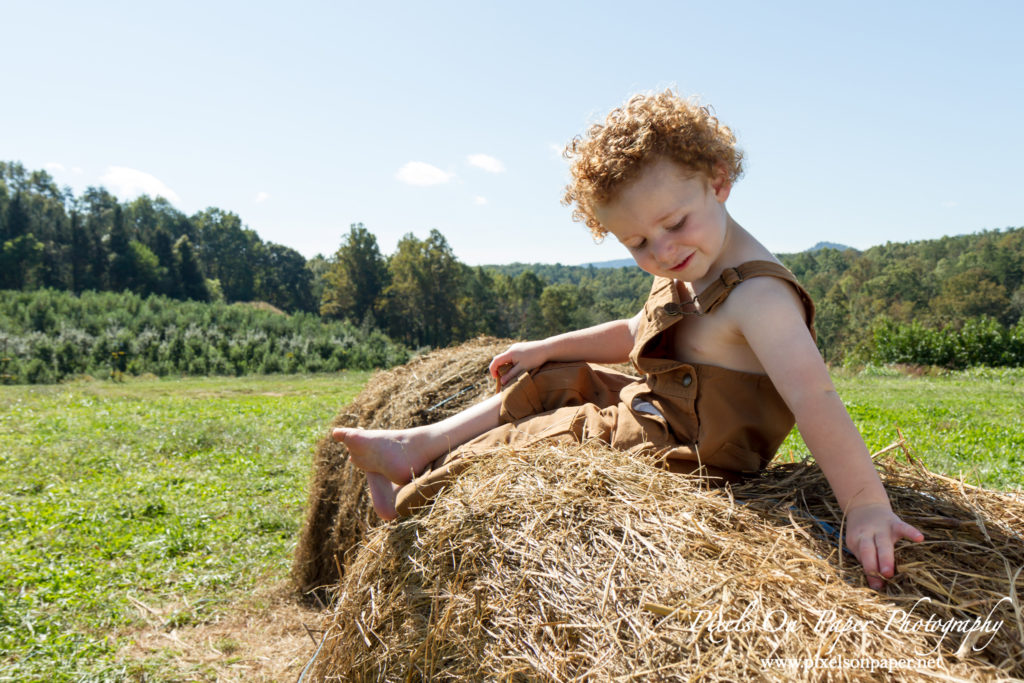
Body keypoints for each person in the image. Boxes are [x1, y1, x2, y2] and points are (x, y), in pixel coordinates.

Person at [334, 91, 923, 590]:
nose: (662, 251)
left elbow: (815, 398)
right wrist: (547, 348)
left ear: (718, 182)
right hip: (656, 407)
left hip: (690, 451)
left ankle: (422, 491)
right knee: (551, 379)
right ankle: (419, 442)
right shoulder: (690, 264)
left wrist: (866, 504)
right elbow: (635, 331)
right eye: (638, 243)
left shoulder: (760, 298)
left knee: (555, 432)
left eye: (674, 225)